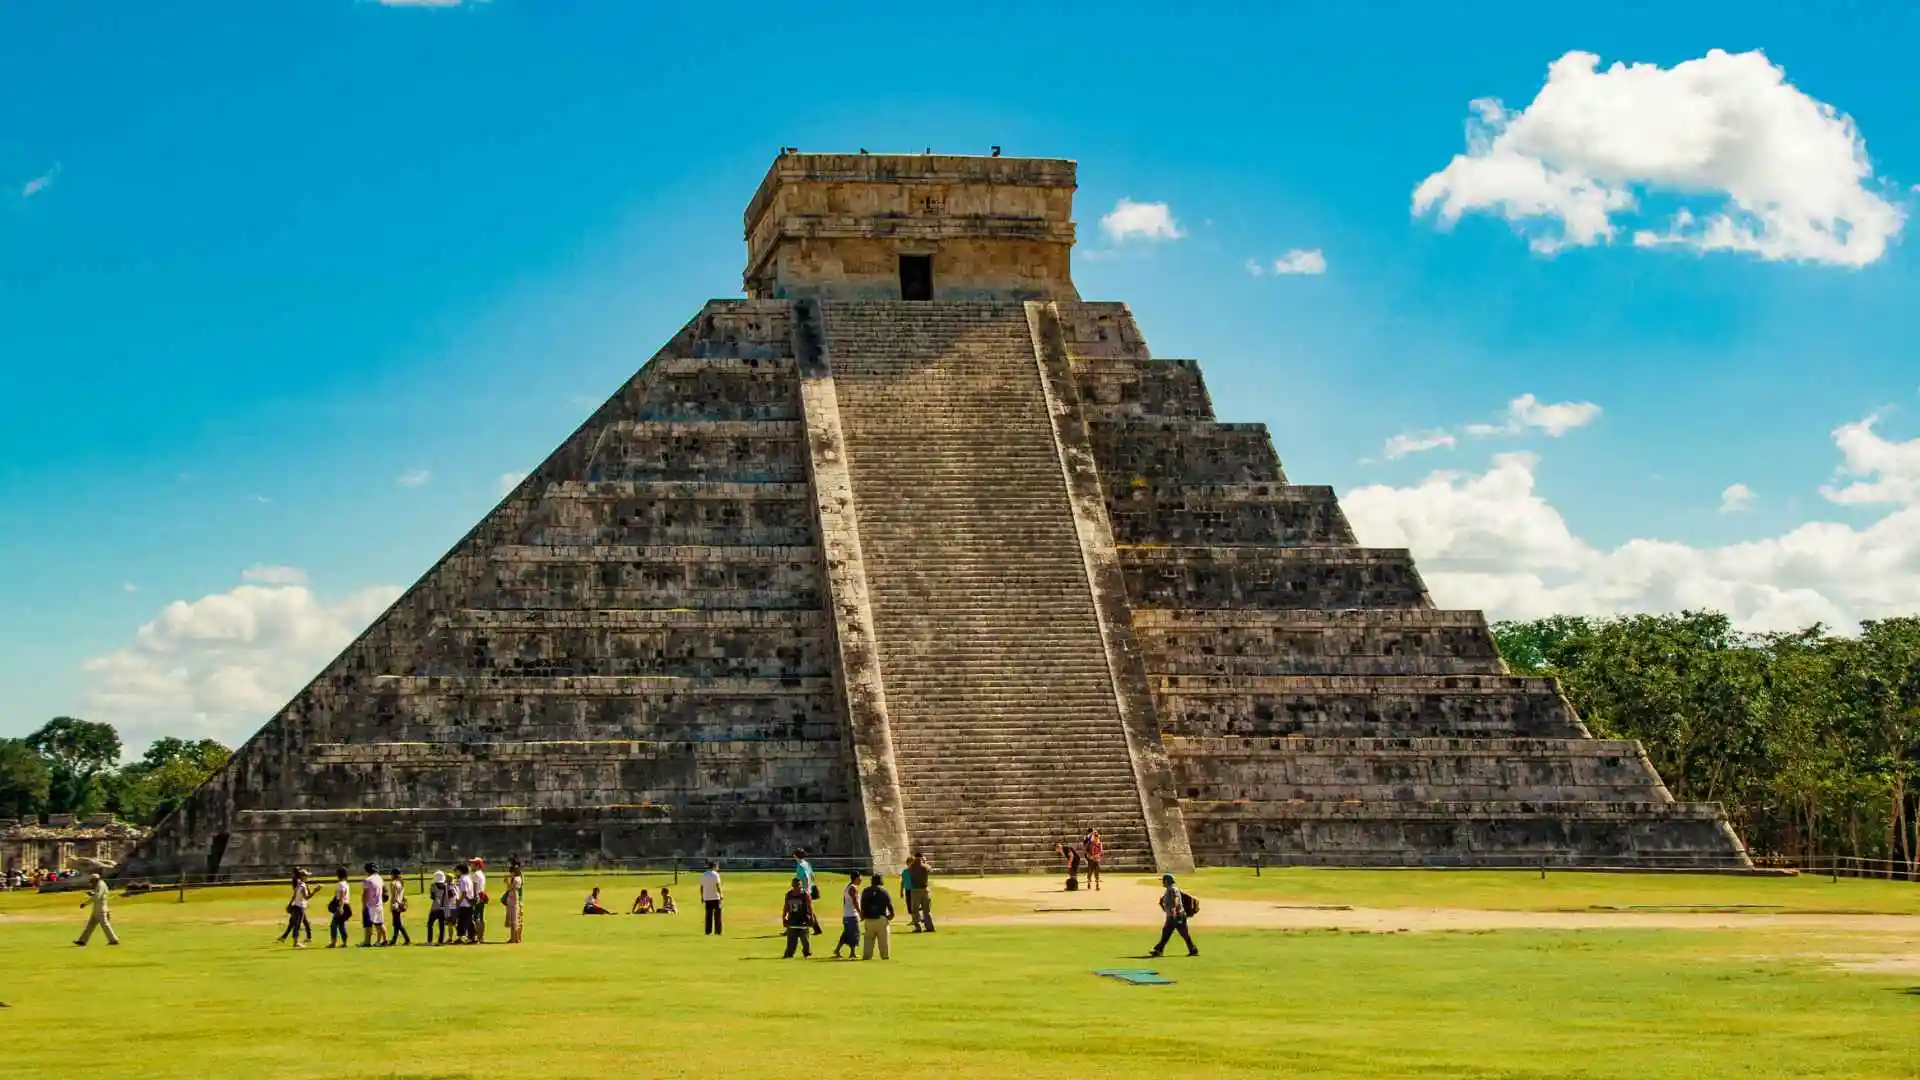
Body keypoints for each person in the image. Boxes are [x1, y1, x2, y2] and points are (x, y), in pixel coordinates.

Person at [1148, 873, 1198, 958]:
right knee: (1177, 934)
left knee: (1172, 933)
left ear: (1167, 881)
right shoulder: (1170, 889)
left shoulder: (1172, 890)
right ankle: (1192, 949)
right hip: (1175, 915)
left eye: (1163, 880)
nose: (1162, 882)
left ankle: (1158, 950)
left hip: (1176, 916)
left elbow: (1176, 899)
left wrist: (1174, 910)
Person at [73, 872, 119, 947]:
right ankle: (82, 941)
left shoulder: (100, 885)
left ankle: (113, 940)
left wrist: (86, 903)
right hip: (97, 908)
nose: (91, 883)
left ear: (95, 879)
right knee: (90, 925)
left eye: (92, 881)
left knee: (105, 924)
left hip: (100, 908)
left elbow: (97, 897)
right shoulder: (100, 884)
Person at [860, 871, 896, 961]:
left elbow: (862, 905)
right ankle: (884, 956)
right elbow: (889, 905)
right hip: (881, 918)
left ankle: (867, 956)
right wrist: (891, 915)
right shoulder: (884, 891)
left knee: (868, 939)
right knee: (883, 940)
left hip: (869, 919)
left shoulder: (865, 891)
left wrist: (863, 916)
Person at [279, 868, 314, 947]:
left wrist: (290, 904)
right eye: (306, 876)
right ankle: (296, 942)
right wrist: (315, 891)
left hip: (297, 906)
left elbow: (295, 895)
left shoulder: (299, 884)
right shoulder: (302, 886)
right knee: (297, 924)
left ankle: (292, 939)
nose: (307, 877)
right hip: (300, 907)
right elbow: (307, 897)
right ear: (302, 876)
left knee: (296, 923)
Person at [780, 877, 814, 958]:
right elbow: (786, 906)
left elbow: (810, 907)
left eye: (799, 885)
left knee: (805, 940)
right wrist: (784, 917)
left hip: (803, 920)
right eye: (795, 885)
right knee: (791, 941)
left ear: (801, 885)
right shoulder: (789, 895)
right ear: (792, 885)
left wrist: (811, 917)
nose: (797, 887)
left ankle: (807, 953)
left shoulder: (805, 895)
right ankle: (789, 954)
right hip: (792, 920)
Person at [833, 872, 863, 959]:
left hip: (847, 914)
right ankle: (852, 953)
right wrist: (860, 913)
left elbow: (845, 901)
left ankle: (837, 950)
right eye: (860, 878)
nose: (861, 880)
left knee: (846, 934)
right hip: (852, 915)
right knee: (854, 933)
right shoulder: (853, 888)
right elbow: (855, 902)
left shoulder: (848, 887)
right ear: (856, 878)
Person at [905, 852, 934, 932]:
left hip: (915, 890)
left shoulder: (912, 867)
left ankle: (918, 927)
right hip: (925, 890)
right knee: (926, 910)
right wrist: (924, 861)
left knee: (915, 910)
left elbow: (909, 871)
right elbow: (930, 869)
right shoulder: (925, 867)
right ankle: (929, 926)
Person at [360, 863, 387, 948]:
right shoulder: (380, 878)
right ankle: (385, 940)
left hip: (370, 905)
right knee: (380, 923)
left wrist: (364, 905)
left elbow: (365, 894)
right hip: (379, 904)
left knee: (369, 924)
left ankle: (367, 942)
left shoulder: (368, 880)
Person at [327, 867, 352, 948]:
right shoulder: (346, 884)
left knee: (334, 924)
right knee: (341, 925)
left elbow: (341, 897)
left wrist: (340, 908)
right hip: (346, 905)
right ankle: (345, 942)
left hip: (341, 905)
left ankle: (333, 942)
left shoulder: (341, 884)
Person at [386, 867, 411, 946]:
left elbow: (394, 895)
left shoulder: (393, 883)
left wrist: (394, 904)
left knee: (398, 924)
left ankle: (407, 939)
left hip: (395, 904)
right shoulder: (401, 883)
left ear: (394, 875)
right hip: (400, 904)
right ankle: (394, 939)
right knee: (396, 923)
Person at [699, 860, 723, 936]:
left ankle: (708, 931)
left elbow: (701, 887)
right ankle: (718, 931)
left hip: (707, 897)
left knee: (708, 915)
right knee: (717, 915)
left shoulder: (703, 875)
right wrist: (721, 894)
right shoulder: (715, 874)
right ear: (714, 866)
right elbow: (717, 886)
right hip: (715, 897)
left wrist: (702, 896)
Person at [504, 859, 525, 944]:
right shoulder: (520, 877)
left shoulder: (516, 879)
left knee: (514, 921)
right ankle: (518, 938)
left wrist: (507, 882)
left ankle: (514, 938)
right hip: (517, 900)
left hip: (514, 901)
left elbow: (511, 889)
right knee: (518, 920)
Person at [455, 862, 476, 943]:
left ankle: (461, 937)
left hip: (464, 903)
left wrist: (459, 902)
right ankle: (472, 936)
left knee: (462, 921)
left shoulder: (462, 879)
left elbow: (464, 892)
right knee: (469, 920)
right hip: (469, 902)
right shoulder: (468, 878)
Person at [426, 870, 448, 945]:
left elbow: (432, 897)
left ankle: (430, 940)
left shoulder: (433, 886)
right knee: (442, 925)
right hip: (444, 907)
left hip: (435, 907)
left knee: (430, 924)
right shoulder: (446, 886)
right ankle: (440, 941)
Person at [470, 857, 489, 943]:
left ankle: (478, 936)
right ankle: (481, 936)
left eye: (473, 863)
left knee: (475, 917)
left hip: (477, 896)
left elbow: (474, 887)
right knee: (482, 917)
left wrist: (473, 897)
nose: (471, 865)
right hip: (482, 896)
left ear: (477, 865)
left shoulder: (475, 875)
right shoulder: (481, 874)